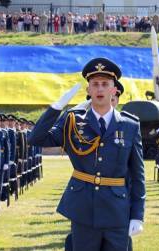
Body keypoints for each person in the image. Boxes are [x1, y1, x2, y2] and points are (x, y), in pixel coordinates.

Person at [29, 58, 145, 250]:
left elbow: (137, 175)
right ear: (88, 90)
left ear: (114, 90)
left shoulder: (130, 125)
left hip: (117, 211)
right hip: (83, 209)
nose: (100, 89)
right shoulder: (72, 121)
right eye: (95, 84)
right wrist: (56, 108)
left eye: (105, 84)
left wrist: (137, 215)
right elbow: (36, 139)